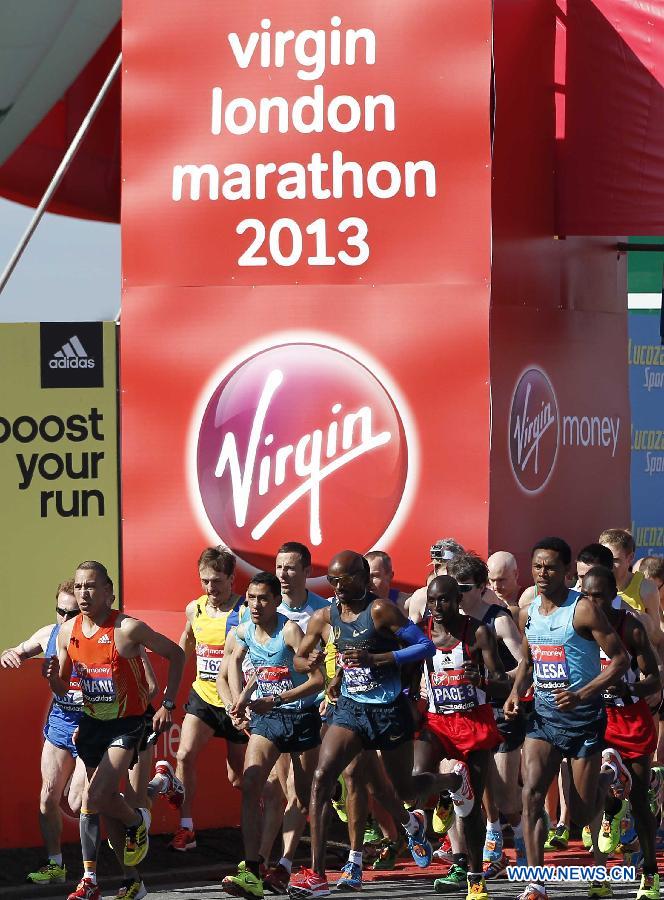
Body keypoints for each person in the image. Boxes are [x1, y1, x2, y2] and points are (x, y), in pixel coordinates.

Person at [287, 551, 472, 898]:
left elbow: (425, 646)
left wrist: (378, 658)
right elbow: (300, 656)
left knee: (402, 790)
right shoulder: (325, 614)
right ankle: (317, 874)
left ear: (362, 578)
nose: (338, 587)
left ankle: (452, 781)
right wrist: (307, 661)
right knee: (323, 778)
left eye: (344, 580)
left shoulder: (380, 610)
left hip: (389, 711)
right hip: (350, 710)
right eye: (332, 581)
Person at [45, 560, 184, 900]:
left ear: (109, 592)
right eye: (78, 587)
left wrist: (168, 704)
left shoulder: (128, 628)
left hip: (128, 724)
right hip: (92, 725)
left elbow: (176, 654)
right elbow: (63, 686)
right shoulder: (68, 631)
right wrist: (53, 678)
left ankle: (133, 826)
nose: (83, 593)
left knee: (93, 797)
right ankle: (127, 879)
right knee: (100, 803)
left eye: (91, 586)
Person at [504, 537, 631, 900]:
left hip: (584, 719)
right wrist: (515, 693)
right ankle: (536, 881)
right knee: (530, 793)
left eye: (552, 567)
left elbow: (620, 660)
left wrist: (582, 693)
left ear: (567, 570)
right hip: (544, 716)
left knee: (579, 811)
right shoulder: (527, 612)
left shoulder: (584, 610)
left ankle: (610, 777)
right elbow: (527, 662)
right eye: (538, 566)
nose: (543, 573)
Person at [222, 572, 324, 899]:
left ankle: (283, 864)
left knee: (298, 794)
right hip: (269, 720)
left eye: (263, 598)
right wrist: (239, 699)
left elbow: (317, 681)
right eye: (251, 597)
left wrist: (276, 699)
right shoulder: (244, 630)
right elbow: (235, 662)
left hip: (301, 717)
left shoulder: (290, 631)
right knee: (251, 784)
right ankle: (252, 867)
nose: (255, 604)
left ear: (277, 601)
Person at [415, 575, 508, 900]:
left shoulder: (477, 632)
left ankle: (475, 879)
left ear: (457, 600)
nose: (437, 607)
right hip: (438, 723)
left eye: (444, 600)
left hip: (474, 723)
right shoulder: (423, 633)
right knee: (416, 780)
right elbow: (408, 671)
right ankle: (451, 785)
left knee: (470, 813)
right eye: (432, 600)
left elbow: (502, 682)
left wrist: (481, 679)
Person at [581, 566, 661, 900]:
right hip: (598, 721)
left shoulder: (631, 628)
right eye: (587, 595)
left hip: (632, 722)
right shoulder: (578, 629)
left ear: (614, 593)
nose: (592, 602)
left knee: (640, 802)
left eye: (599, 595)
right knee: (599, 788)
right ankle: (600, 875)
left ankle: (650, 874)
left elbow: (655, 681)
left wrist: (628, 690)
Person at [1, 580, 86, 885]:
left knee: (77, 804)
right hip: (61, 724)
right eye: (60, 611)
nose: (65, 618)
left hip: (91, 726)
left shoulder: (98, 639)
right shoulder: (48, 634)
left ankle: (132, 809)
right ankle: (56, 866)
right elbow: (17, 651)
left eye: (72, 612)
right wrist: (9, 654)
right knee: (48, 798)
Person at [447, 554, 525, 879]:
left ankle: (521, 840)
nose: (457, 595)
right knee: (467, 783)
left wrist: (497, 684)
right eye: (454, 588)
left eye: (463, 588)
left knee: (506, 795)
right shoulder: (449, 622)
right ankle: (485, 839)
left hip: (502, 709)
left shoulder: (499, 619)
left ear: (481, 588)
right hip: (468, 713)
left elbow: (524, 667)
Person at [172, 546, 247, 851]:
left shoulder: (243, 612)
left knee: (239, 778)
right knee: (184, 756)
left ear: (231, 579)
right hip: (203, 695)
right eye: (205, 581)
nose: (210, 588)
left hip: (235, 702)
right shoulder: (196, 608)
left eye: (217, 581)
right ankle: (186, 827)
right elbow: (186, 641)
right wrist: (171, 685)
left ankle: (261, 827)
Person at [599, 530, 662, 644]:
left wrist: (635, 618)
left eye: (615, 560)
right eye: (604, 559)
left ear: (630, 557)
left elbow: (656, 639)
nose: (608, 565)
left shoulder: (646, 589)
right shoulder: (591, 587)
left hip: (634, 659)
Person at [487, 552, 522, 620]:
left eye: (501, 580)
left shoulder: (526, 597)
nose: (495, 586)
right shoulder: (483, 596)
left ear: (516, 574)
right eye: (492, 580)